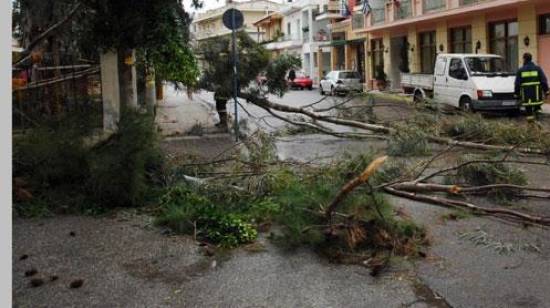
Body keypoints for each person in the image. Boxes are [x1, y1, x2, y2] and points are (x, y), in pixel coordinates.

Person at [515, 52, 549, 121]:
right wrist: (546, 91)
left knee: (529, 113)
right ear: (531, 59)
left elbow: (517, 84)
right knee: (537, 108)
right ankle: (538, 118)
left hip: (526, 95)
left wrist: (517, 94)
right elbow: (543, 81)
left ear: (524, 59)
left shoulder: (521, 70)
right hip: (536, 95)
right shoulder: (538, 69)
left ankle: (531, 125)